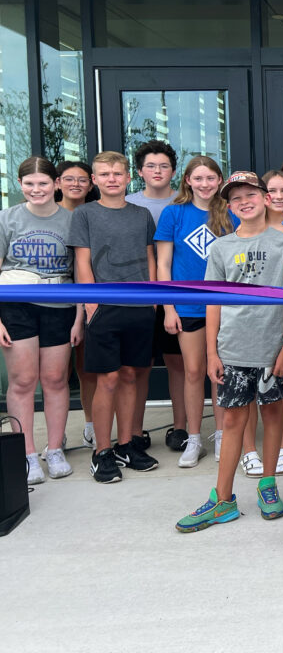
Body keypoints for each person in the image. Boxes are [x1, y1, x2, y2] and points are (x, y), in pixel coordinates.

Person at [175, 172, 283, 532]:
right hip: (233, 348)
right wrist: (213, 352)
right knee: (231, 420)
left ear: (265, 197)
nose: (244, 202)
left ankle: (268, 484)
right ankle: (223, 499)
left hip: (272, 348)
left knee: (273, 414)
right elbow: (212, 302)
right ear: (229, 206)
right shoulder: (221, 247)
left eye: (251, 194)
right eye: (236, 199)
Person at [68, 151, 159, 483]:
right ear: (95, 180)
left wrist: (151, 301)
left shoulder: (141, 215)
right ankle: (102, 451)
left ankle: (125, 444)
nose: (111, 179)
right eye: (104, 174)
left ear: (128, 178)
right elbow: (82, 262)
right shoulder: (85, 215)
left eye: (117, 174)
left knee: (132, 376)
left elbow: (149, 257)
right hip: (103, 307)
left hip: (139, 306)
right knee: (106, 379)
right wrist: (91, 306)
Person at [0, 157, 82, 483]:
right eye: (30, 184)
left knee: (55, 379)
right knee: (22, 381)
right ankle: (27, 454)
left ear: (56, 184)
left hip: (59, 306)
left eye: (43, 183)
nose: (36, 189)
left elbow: (79, 273)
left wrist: (78, 318)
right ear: (20, 185)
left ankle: (54, 449)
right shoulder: (7, 218)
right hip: (16, 306)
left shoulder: (72, 220)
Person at [155, 156, 237, 468]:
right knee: (192, 372)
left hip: (225, 305)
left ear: (220, 181)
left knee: (220, 372)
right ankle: (193, 438)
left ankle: (221, 435)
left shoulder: (229, 212)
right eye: (198, 178)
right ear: (187, 180)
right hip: (187, 304)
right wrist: (168, 308)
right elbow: (163, 264)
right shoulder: (174, 213)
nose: (205, 184)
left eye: (211, 178)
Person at [126, 141, 187, 453]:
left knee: (178, 365)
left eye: (164, 166)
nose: (158, 171)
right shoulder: (126, 203)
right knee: (139, 367)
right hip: (138, 298)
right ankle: (135, 431)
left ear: (173, 171)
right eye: (151, 166)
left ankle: (180, 428)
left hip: (177, 298)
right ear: (140, 172)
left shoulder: (185, 201)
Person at [238, 170, 283, 478]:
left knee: (279, 389)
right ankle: (249, 450)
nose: (277, 196)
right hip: (244, 329)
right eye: (271, 190)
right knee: (246, 392)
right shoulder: (241, 233)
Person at [56, 161, 98, 449]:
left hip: (90, 299)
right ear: (57, 182)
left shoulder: (94, 214)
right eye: (69, 179)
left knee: (88, 368)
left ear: (90, 183)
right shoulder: (49, 214)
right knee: (56, 374)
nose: (76, 184)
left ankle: (91, 424)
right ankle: (56, 436)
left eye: (82, 179)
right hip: (54, 301)